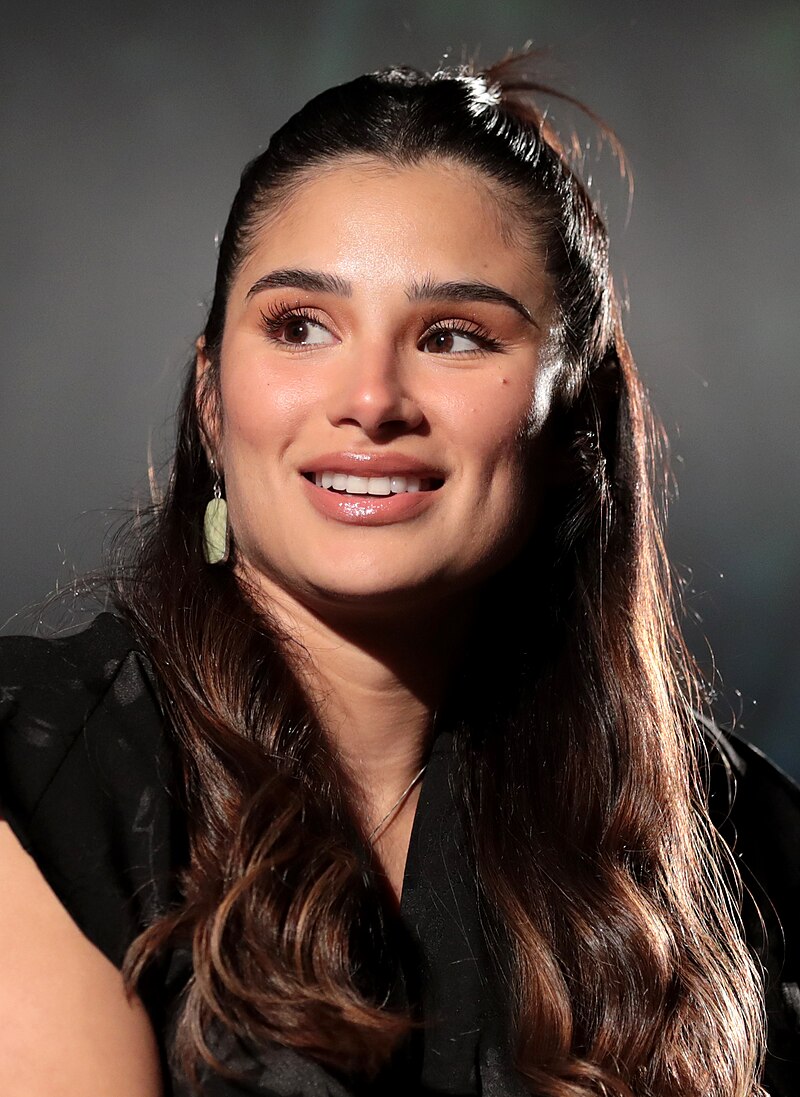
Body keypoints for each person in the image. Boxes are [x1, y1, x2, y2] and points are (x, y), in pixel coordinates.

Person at [1, 52, 798, 1097]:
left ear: (576, 425)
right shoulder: (40, 779)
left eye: (453, 336)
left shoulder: (739, 835)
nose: (370, 399)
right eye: (300, 326)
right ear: (210, 397)